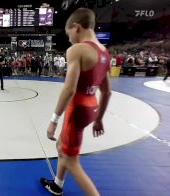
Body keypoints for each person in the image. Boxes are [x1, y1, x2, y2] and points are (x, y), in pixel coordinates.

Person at [40, 8, 112, 196]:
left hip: (77, 110)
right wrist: (99, 119)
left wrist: (53, 120)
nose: (69, 38)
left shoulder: (77, 50)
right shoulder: (104, 53)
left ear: (76, 27)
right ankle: (57, 184)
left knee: (72, 161)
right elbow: (107, 91)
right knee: (61, 146)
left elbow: (69, 89)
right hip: (92, 108)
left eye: (68, 33)